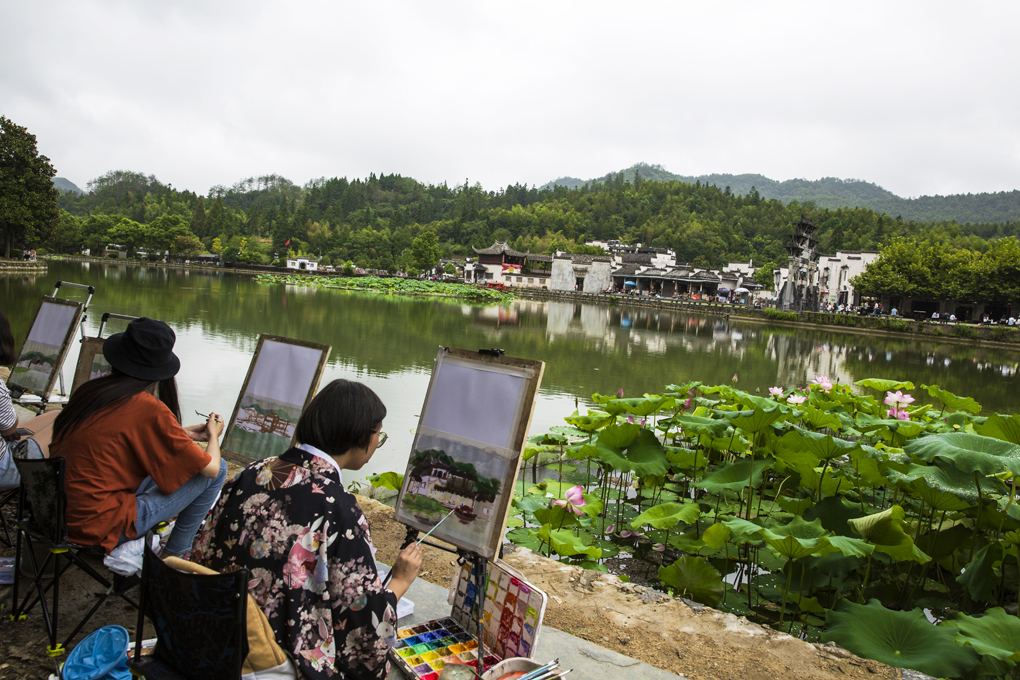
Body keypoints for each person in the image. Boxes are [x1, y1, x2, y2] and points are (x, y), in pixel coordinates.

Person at [192, 379, 423, 680]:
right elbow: (363, 632)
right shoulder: (339, 509)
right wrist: (400, 583)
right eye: (379, 435)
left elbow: (201, 550)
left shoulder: (251, 473)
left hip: (208, 634)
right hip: (268, 661)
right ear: (360, 437)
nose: (377, 444)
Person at [50, 318, 226, 556]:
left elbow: (118, 437)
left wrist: (181, 434)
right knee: (221, 468)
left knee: (179, 464)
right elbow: (210, 469)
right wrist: (213, 435)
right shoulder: (147, 408)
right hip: (98, 525)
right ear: (159, 371)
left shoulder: (90, 392)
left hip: (56, 515)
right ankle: (177, 553)